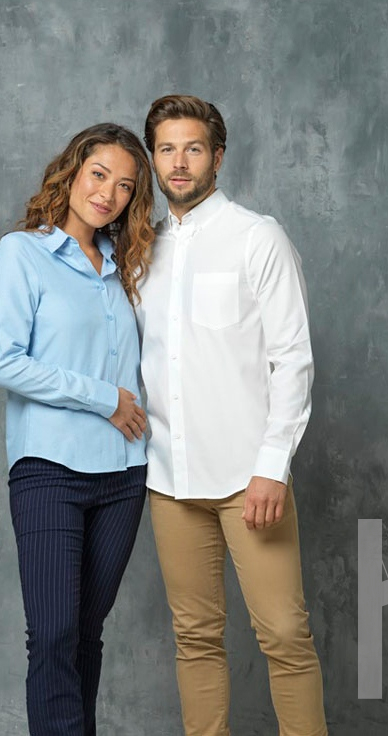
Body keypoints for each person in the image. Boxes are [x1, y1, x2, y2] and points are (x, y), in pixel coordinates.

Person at [135, 95, 329, 736]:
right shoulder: (142, 249)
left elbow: (292, 359)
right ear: (153, 158)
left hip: (250, 479)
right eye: (166, 149)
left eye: (193, 148)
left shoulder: (257, 237)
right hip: (169, 479)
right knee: (194, 636)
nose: (179, 163)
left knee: (284, 634)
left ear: (217, 157)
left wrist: (273, 467)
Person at [0, 123, 154, 736]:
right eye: (99, 175)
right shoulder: (23, 252)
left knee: (86, 633)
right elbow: (6, 363)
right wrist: (104, 399)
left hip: (124, 475)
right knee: (54, 634)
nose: (108, 194)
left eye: (125, 186)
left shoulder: (126, 268)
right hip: (50, 470)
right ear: (72, 172)